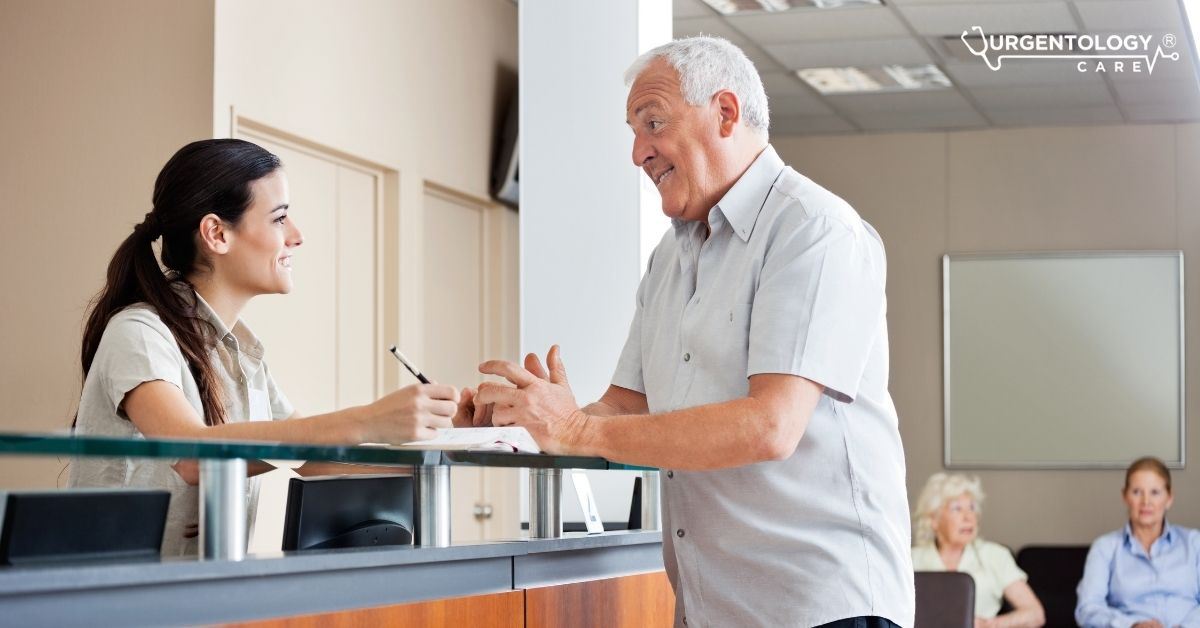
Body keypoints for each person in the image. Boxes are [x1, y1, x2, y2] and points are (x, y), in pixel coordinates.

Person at [459, 36, 914, 627]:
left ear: (725, 113)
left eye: (653, 124)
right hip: (713, 608)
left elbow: (770, 426)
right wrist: (529, 420)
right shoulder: (669, 260)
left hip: (821, 609)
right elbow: (625, 408)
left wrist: (574, 429)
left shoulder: (816, 232)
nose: (637, 153)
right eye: (632, 132)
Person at [69, 139, 462, 557]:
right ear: (217, 234)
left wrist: (450, 441)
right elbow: (193, 456)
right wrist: (367, 420)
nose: (297, 236)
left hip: (196, 599)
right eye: (280, 218)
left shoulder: (243, 355)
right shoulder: (139, 333)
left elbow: (312, 460)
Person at [1076, 457, 1200, 628]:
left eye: (1155, 492)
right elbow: (1087, 608)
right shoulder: (1105, 548)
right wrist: (1132, 625)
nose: (1146, 502)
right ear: (1125, 496)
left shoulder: (1194, 543)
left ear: (1169, 498)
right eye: (1137, 492)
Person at [911, 473, 1045, 628]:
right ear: (934, 519)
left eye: (972, 508)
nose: (968, 517)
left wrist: (990, 624)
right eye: (957, 509)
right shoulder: (911, 559)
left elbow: (1035, 614)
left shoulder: (995, 556)